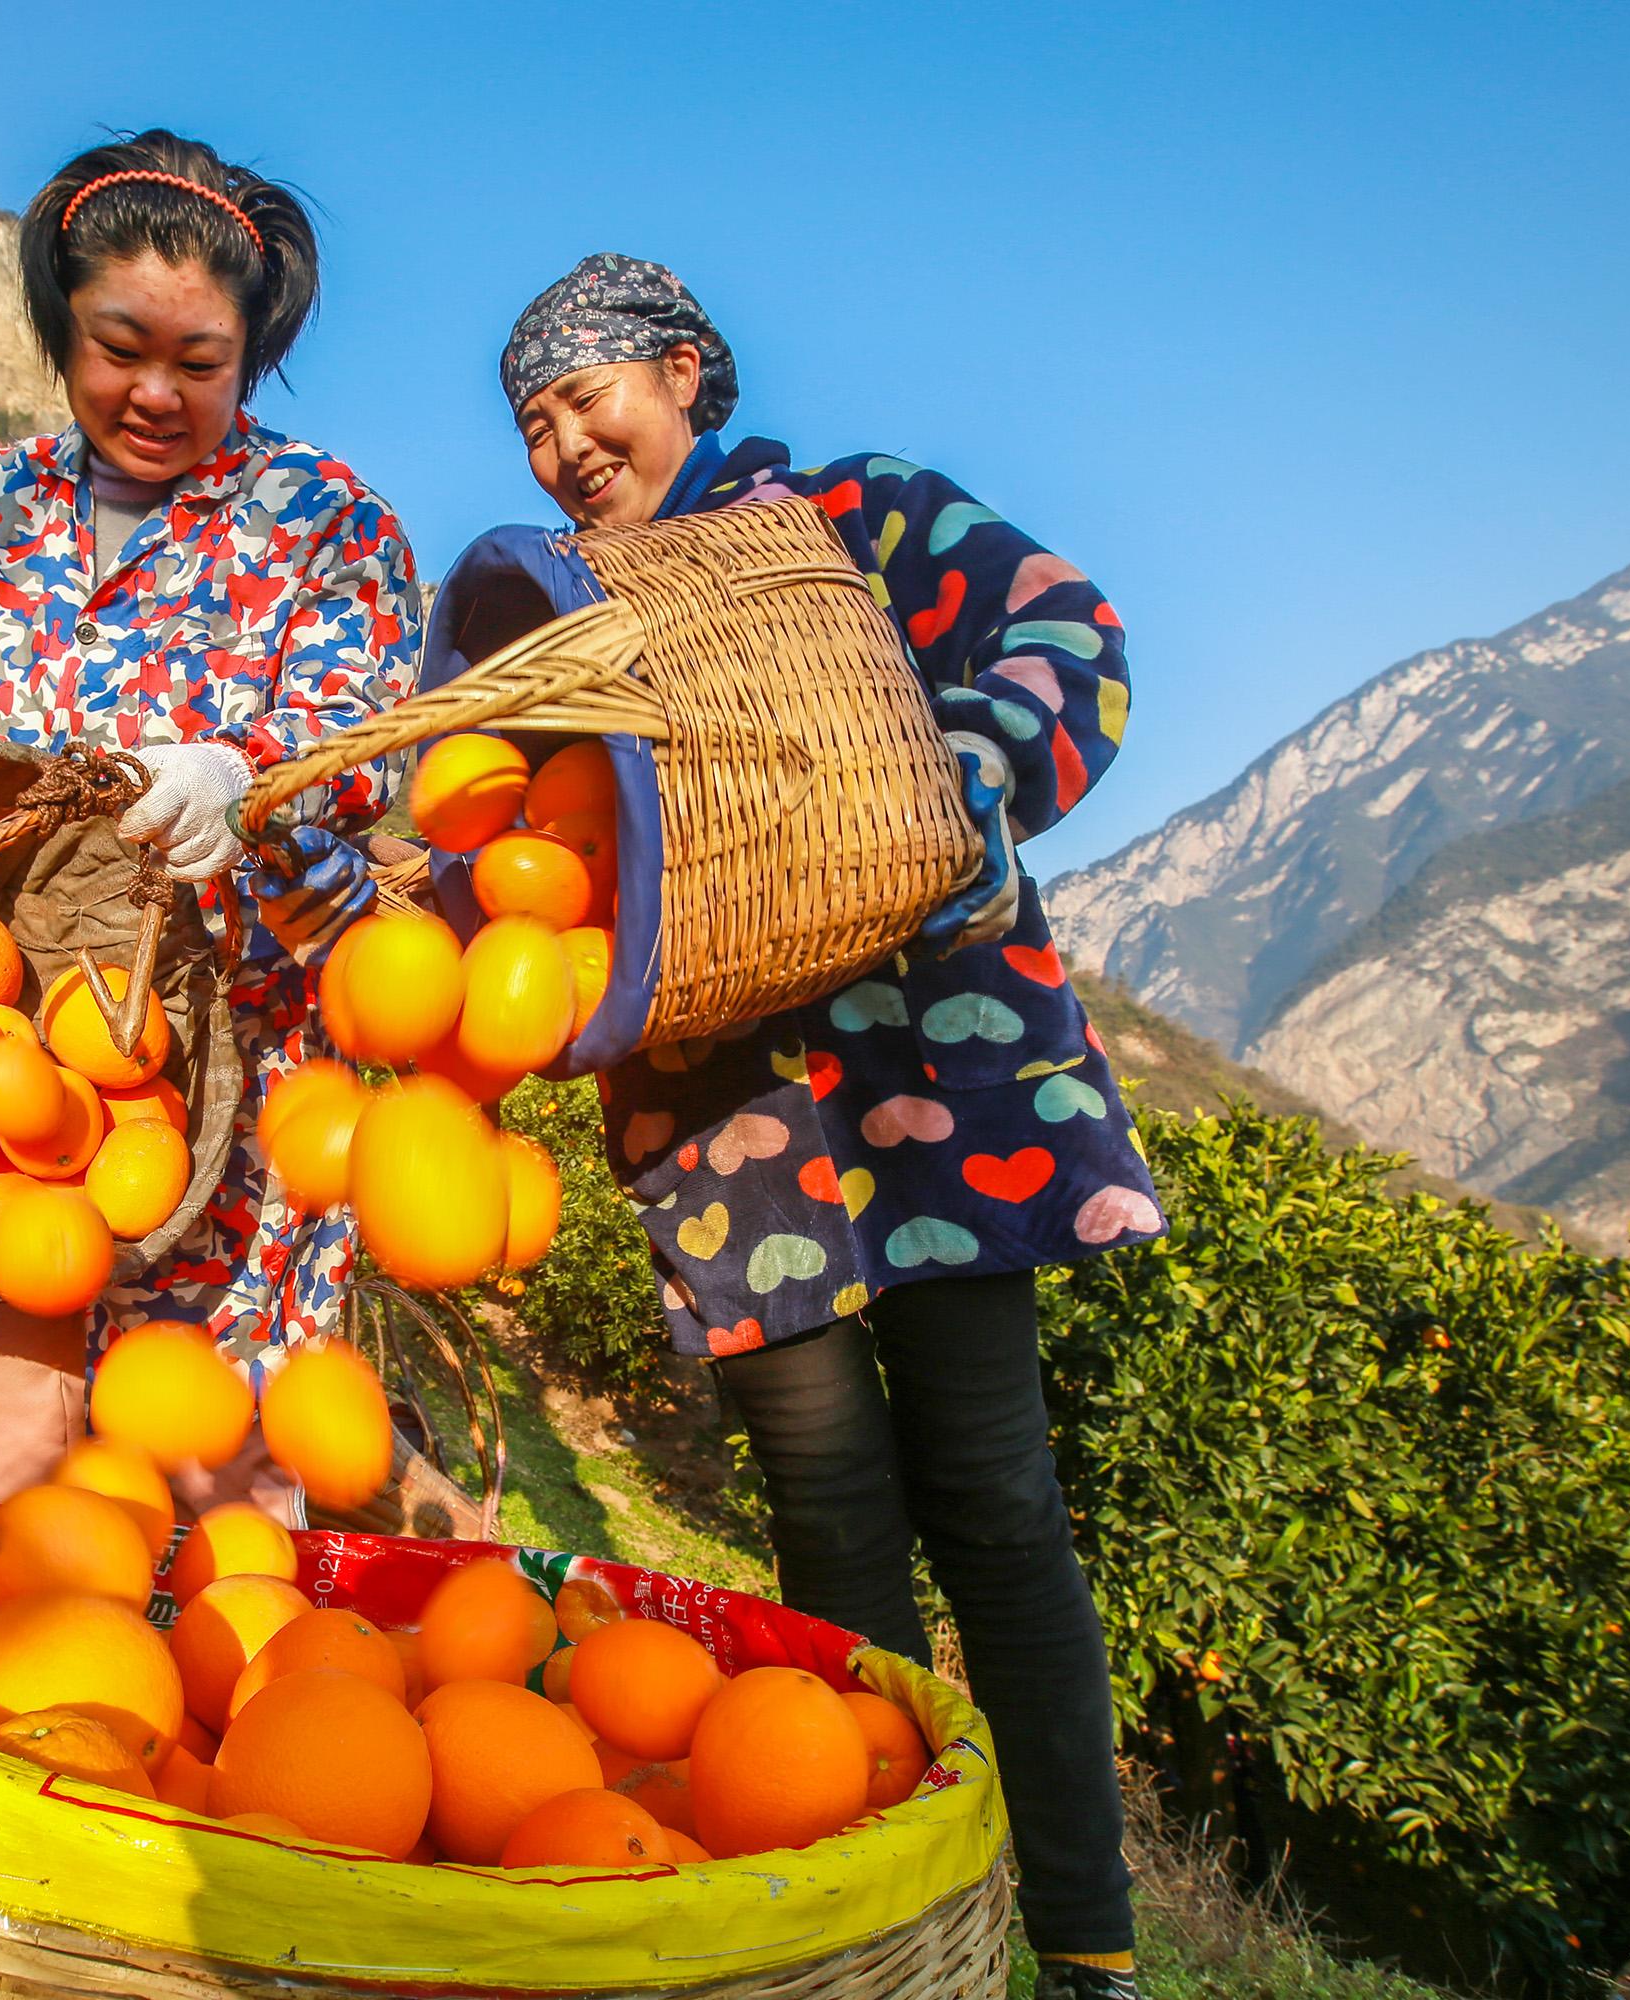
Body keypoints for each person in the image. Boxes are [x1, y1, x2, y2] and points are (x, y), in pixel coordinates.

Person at [493, 254, 1162, 1996]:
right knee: (825, 1506)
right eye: (533, 425)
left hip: (934, 1075)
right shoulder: (575, 618)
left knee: (994, 1494)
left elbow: (1074, 634)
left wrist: (972, 761)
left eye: (586, 398)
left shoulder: (850, 520)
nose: (564, 447)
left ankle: (1085, 1940)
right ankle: (884, 1909)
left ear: (683, 372)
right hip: (724, 1110)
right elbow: (528, 843)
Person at [0, 131, 419, 1515]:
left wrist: (254, 775)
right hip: (9, 1052)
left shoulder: (325, 523)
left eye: (202, 364)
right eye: (121, 348)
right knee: (20, 1453)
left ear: (251, 360)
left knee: (213, 1471)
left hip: (242, 1055)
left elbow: (367, 739)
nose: (158, 394)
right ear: (63, 325)